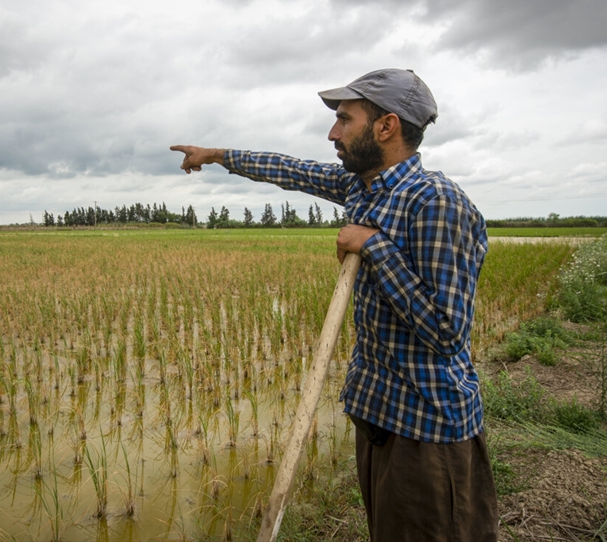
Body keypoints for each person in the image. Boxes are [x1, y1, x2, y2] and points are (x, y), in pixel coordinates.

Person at [170, 69, 498, 541]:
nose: (332, 132)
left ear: (386, 126)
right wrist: (218, 155)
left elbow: (447, 332)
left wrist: (374, 247)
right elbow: (293, 170)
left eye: (345, 119)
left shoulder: (435, 202)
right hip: (380, 417)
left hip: (426, 434)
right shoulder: (362, 187)